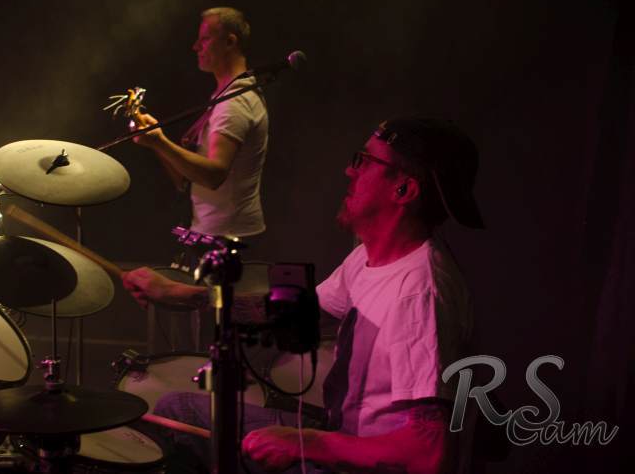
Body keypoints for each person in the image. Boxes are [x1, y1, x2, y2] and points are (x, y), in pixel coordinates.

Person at [122, 117, 484, 473]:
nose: (349, 171)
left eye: (364, 161)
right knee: (177, 411)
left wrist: (306, 443)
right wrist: (184, 295)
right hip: (340, 435)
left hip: (363, 464)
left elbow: (430, 455)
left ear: (403, 189)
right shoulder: (369, 257)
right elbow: (299, 313)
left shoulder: (419, 295)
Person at [133, 7, 269, 241]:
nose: (195, 46)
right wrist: (155, 143)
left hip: (229, 238)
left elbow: (213, 176)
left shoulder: (235, 102)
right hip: (216, 232)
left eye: (205, 39)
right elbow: (187, 181)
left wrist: (160, 142)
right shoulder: (226, 95)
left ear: (230, 42)